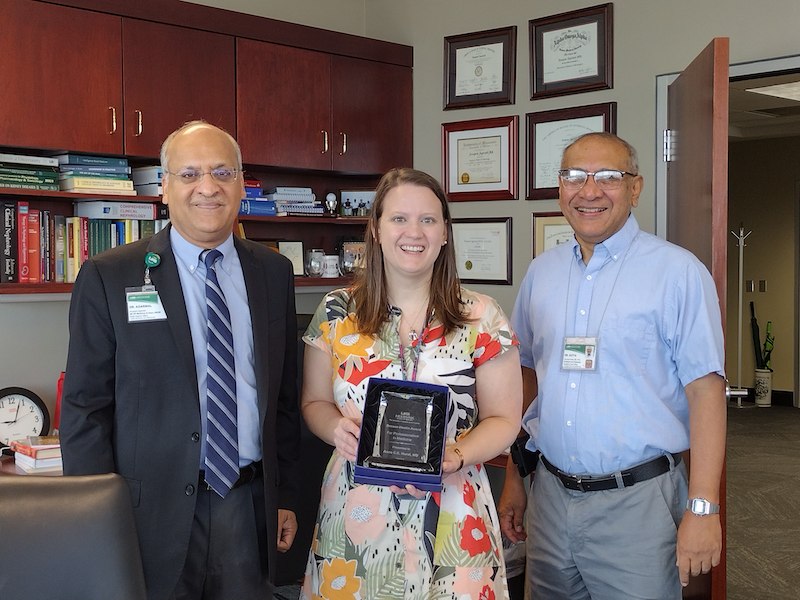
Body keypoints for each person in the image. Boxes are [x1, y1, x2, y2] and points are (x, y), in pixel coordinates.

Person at [60, 121, 301, 600]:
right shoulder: (110, 275)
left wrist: (287, 497)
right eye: (189, 174)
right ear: (164, 187)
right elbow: (85, 409)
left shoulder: (274, 271)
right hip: (145, 513)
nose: (208, 187)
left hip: (247, 502)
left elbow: (285, 397)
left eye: (222, 172)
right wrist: (92, 515)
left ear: (239, 182)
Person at [498, 132, 727, 599]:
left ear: (636, 188)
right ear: (560, 188)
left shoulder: (678, 274)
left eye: (608, 177)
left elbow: (707, 393)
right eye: (574, 177)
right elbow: (525, 378)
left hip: (638, 505)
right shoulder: (541, 273)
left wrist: (703, 509)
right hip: (551, 498)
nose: (590, 191)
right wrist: (514, 477)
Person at [300, 168, 522, 599]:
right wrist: (334, 429)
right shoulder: (335, 311)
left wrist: (456, 453)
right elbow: (313, 403)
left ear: (444, 234)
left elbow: (505, 419)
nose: (413, 232)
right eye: (399, 218)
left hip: (454, 515)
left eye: (428, 220)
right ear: (376, 229)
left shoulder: (482, 316)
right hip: (355, 509)